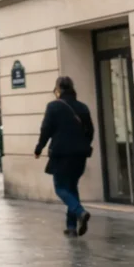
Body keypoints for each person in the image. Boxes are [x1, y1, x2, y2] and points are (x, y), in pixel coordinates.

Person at [35, 76, 95, 237]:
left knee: (60, 187)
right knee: (72, 187)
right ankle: (71, 227)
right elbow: (90, 131)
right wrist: (82, 145)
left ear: (58, 89)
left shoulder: (54, 107)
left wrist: (39, 148)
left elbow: (46, 130)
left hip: (61, 154)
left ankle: (80, 212)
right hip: (80, 155)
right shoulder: (82, 107)